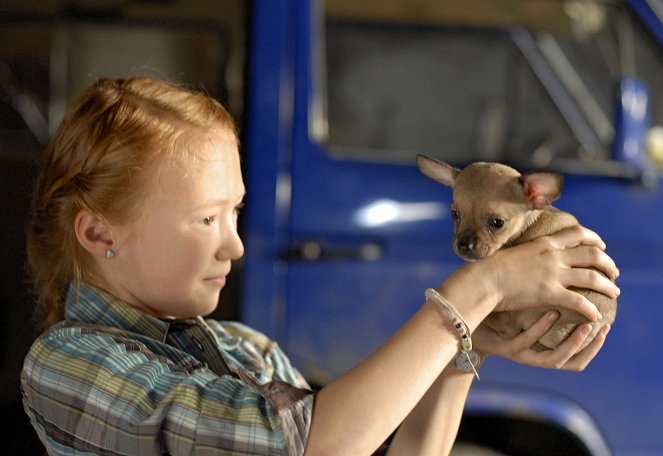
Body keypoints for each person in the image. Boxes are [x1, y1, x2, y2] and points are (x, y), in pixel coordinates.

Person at [21, 77, 620, 456]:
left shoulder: (250, 353)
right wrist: (475, 290)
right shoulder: (68, 368)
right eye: (207, 220)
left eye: (237, 214)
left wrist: (467, 347)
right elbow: (312, 446)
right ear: (99, 231)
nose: (235, 247)